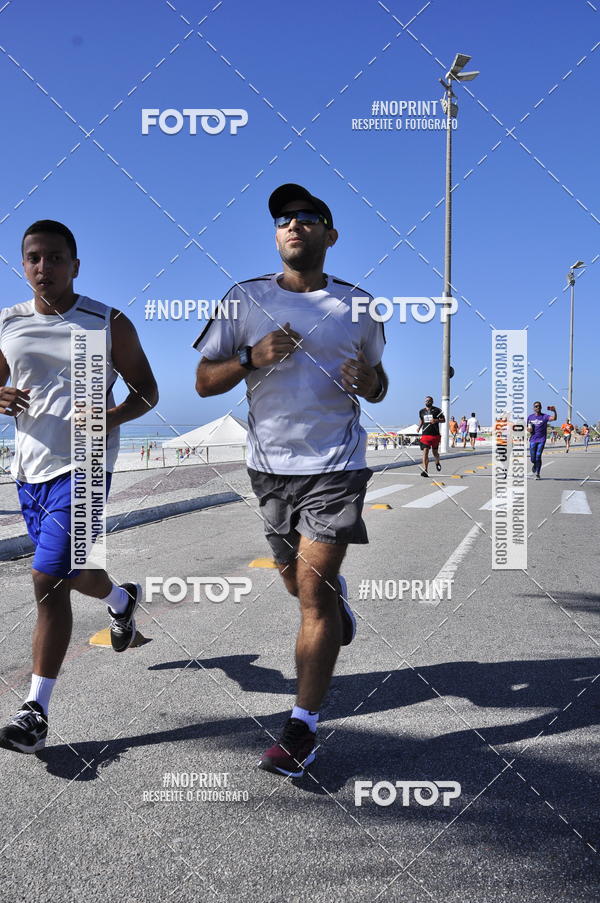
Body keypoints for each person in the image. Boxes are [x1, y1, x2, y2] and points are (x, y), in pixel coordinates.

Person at [194, 183, 387, 778]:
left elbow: (380, 384)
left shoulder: (359, 305)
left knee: (311, 589)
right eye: (284, 219)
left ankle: (302, 727)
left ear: (331, 235)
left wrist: (367, 381)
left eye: (307, 218)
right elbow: (203, 381)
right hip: (269, 468)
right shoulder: (243, 299)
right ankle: (335, 610)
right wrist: (252, 358)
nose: (293, 225)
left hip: (336, 467)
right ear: (276, 235)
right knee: (295, 580)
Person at [0, 220, 158, 754]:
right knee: (72, 573)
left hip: (87, 468)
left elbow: (147, 392)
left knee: (47, 577)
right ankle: (122, 600)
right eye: (33, 258)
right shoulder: (9, 323)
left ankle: (35, 712)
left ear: (75, 264)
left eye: (55, 257)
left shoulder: (107, 321)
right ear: (24, 265)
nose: (43, 267)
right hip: (30, 470)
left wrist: (109, 417)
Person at [527, 402, 557, 479]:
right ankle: (535, 464)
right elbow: (528, 428)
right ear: (533, 408)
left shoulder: (544, 416)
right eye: (536, 406)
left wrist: (554, 411)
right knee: (533, 458)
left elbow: (554, 418)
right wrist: (529, 429)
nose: (537, 408)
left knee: (538, 456)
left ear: (541, 408)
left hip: (541, 439)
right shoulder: (530, 417)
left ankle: (538, 473)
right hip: (533, 439)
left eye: (539, 406)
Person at [417, 396, 445, 476]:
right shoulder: (421, 411)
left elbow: (443, 420)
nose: (427, 402)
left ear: (432, 402)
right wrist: (419, 427)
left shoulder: (437, 410)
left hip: (435, 435)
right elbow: (422, 420)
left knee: (435, 452)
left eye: (429, 401)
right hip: (425, 434)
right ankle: (425, 470)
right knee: (425, 452)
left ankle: (437, 462)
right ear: (424, 402)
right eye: (426, 400)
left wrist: (436, 420)